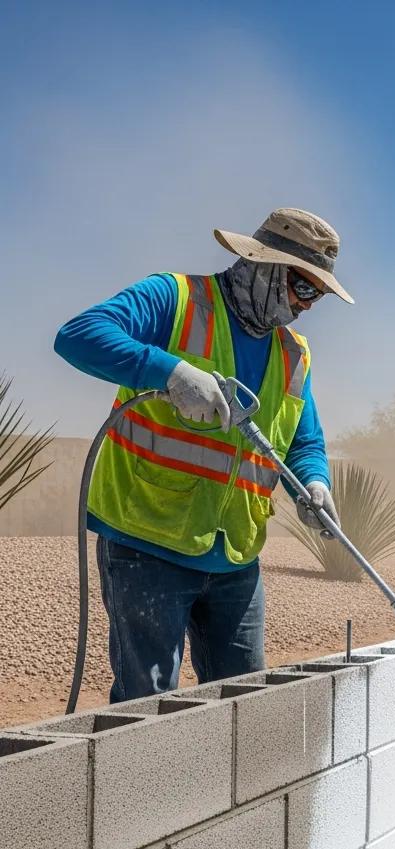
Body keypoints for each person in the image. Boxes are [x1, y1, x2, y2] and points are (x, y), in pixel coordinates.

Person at [54, 208, 351, 703]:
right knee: (147, 708)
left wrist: (314, 481)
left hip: (235, 555)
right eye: (304, 288)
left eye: (318, 294)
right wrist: (168, 371)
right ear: (264, 265)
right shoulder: (175, 298)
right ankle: (142, 784)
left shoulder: (294, 354)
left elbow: (305, 441)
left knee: (243, 702)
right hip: (147, 540)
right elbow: (78, 336)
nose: (309, 305)